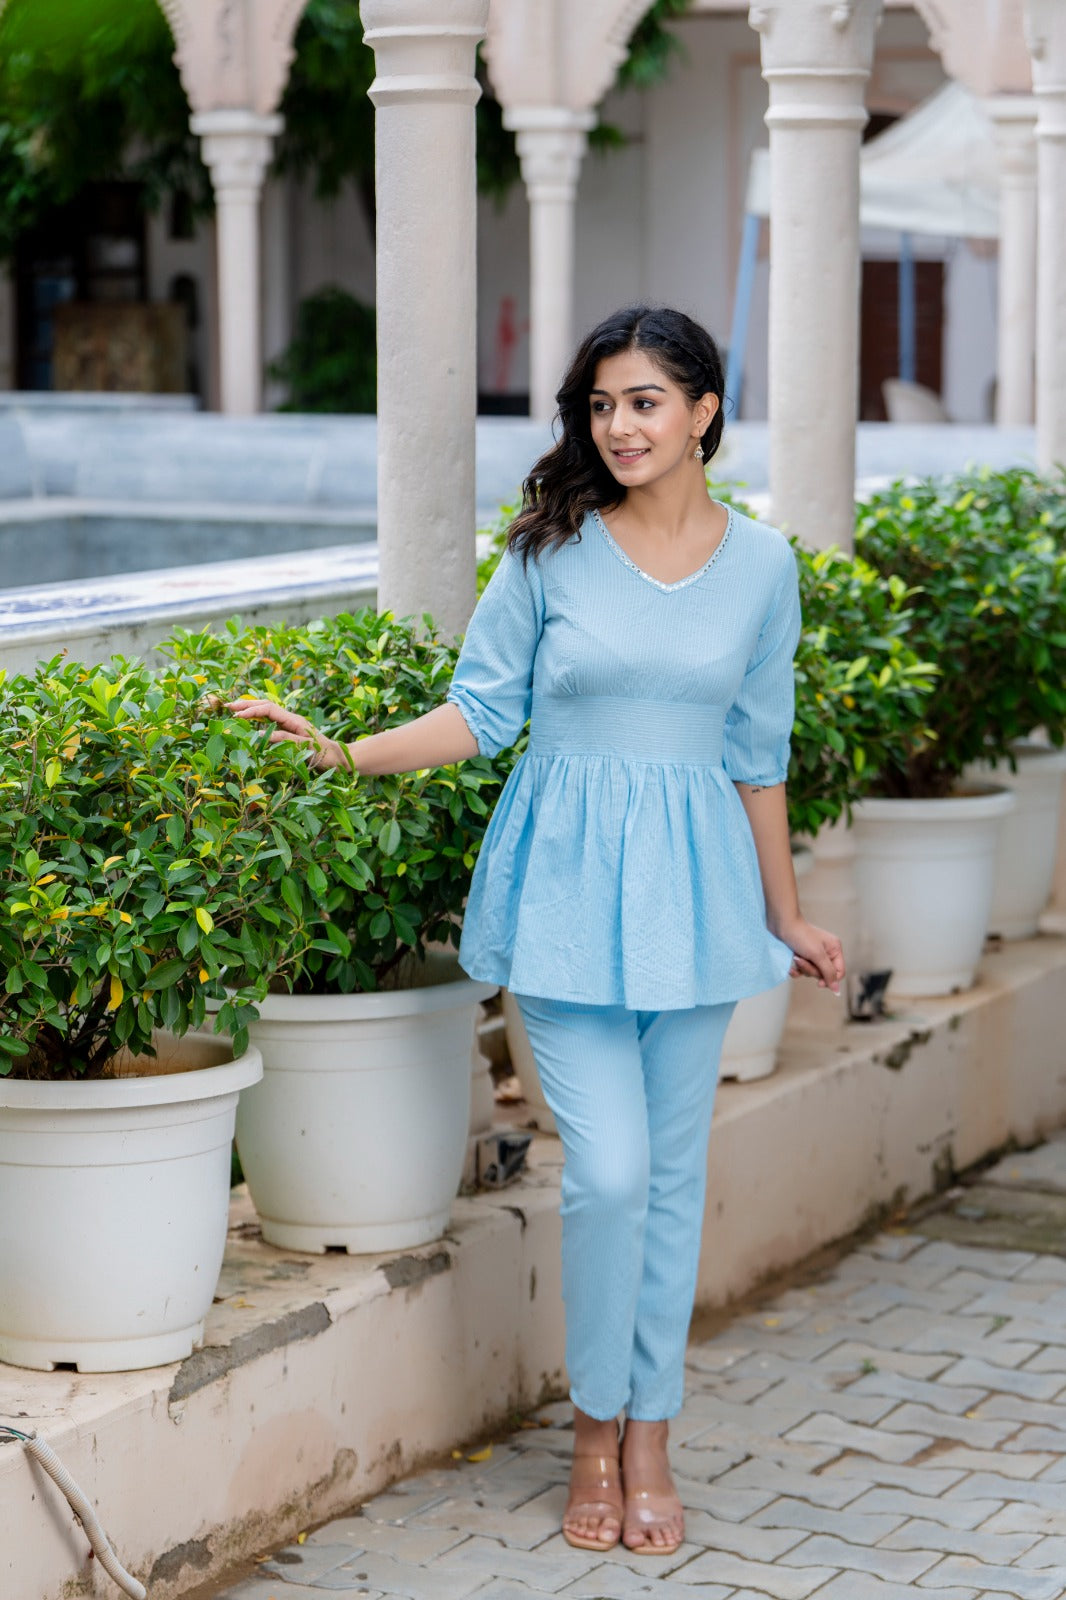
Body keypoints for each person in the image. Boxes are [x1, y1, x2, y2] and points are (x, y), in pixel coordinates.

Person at [228, 304, 845, 1558]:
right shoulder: (551, 550)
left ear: (704, 412)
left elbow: (756, 753)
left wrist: (784, 914)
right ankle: (589, 1426)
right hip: (564, 891)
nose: (620, 425)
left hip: (697, 898)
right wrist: (344, 751)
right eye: (603, 404)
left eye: (646, 402)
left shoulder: (764, 568)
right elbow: (480, 711)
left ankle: (649, 1436)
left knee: (670, 1184)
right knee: (609, 1172)